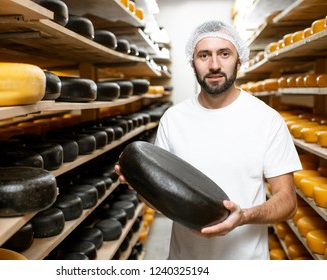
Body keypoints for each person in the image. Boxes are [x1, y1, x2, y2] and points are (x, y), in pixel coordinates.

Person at [115, 20, 302, 260]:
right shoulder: (173, 119)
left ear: (239, 60)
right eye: (204, 55)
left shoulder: (267, 120)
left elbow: (288, 203)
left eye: (224, 54)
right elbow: (161, 198)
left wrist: (243, 216)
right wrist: (141, 184)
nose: (214, 65)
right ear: (193, 63)